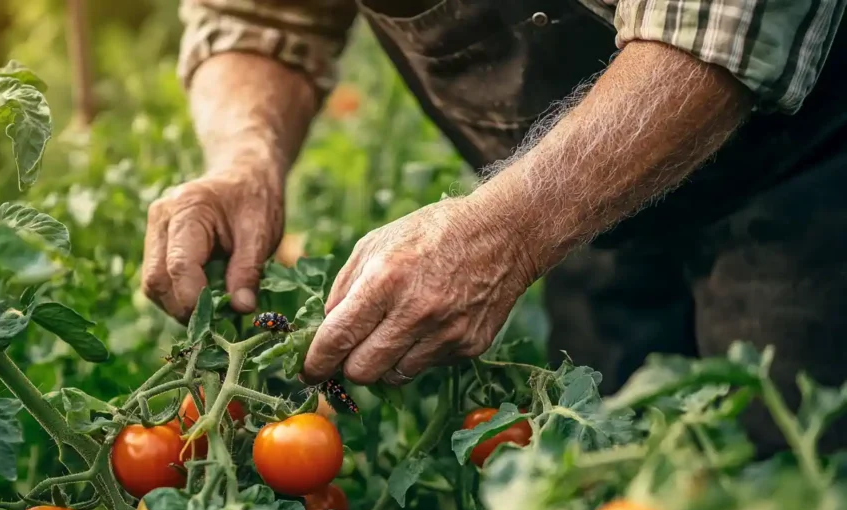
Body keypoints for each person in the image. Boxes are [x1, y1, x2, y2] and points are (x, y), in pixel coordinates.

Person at [141, 0, 847, 455]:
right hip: (574, 192)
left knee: (782, 490)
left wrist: (509, 232)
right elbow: (264, 17)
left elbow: (720, 27)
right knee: (600, 484)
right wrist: (247, 157)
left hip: (803, 164)